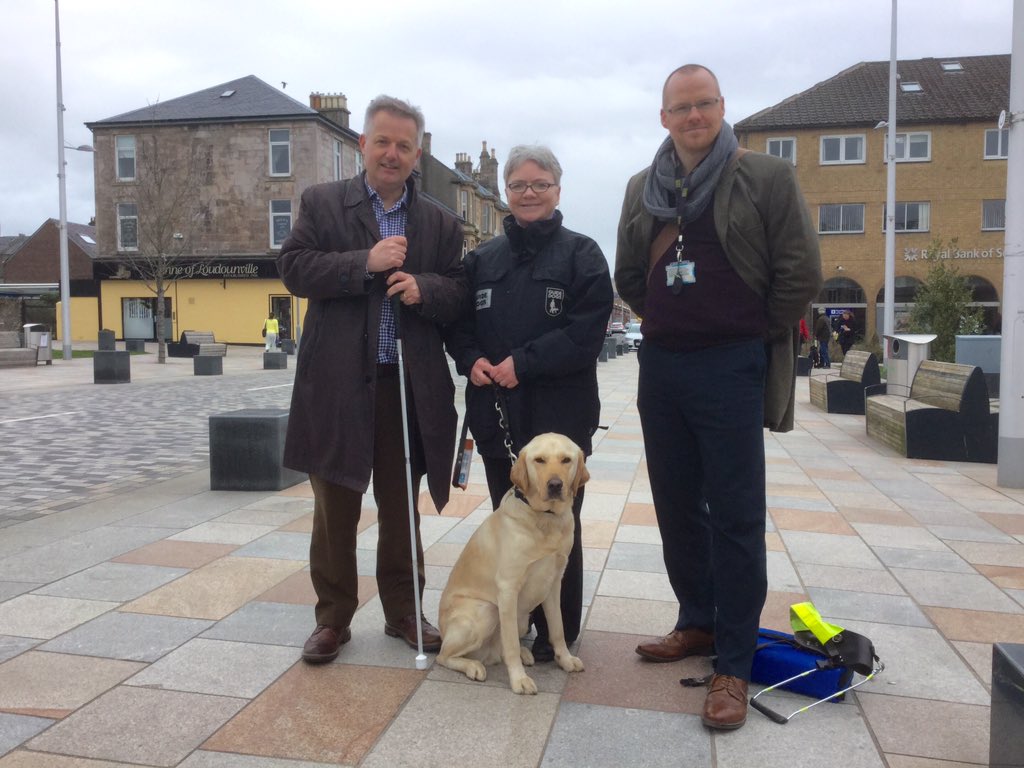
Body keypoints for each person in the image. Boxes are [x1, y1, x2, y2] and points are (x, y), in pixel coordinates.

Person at [614, 64, 822, 730]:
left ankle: (733, 661)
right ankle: (697, 620)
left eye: (704, 104)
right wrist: (670, 320)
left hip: (732, 364)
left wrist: (749, 331)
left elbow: (800, 271)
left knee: (735, 514)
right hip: (663, 367)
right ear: (664, 117)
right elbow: (629, 274)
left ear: (722, 106)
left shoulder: (765, 177)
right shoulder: (641, 188)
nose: (694, 116)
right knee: (676, 506)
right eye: (681, 107)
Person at [278, 95, 467, 664]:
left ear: (416, 155)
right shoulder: (322, 203)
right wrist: (365, 262)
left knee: (400, 505)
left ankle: (404, 610)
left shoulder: (439, 221)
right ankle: (333, 618)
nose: (392, 154)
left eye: (404, 146)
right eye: (382, 141)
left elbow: (459, 291)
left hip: (404, 386)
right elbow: (294, 269)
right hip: (337, 384)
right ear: (363, 144)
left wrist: (424, 289)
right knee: (335, 506)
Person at [445, 145, 613, 662]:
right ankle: (513, 619)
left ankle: (556, 634)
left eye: (540, 184)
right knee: (511, 527)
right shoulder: (481, 260)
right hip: (499, 416)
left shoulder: (583, 254)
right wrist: (470, 359)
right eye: (518, 185)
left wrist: (524, 362)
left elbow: (586, 333)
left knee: (561, 526)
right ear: (506, 192)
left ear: (557, 190)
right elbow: (458, 325)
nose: (529, 193)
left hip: (560, 416)